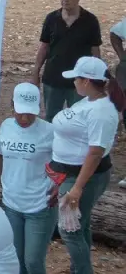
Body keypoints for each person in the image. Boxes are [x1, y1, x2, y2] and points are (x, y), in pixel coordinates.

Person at [50, 55, 119, 274]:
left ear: (87, 81)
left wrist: (77, 187)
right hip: (70, 173)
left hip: (80, 176)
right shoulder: (89, 101)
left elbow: (96, 152)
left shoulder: (101, 112)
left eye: (76, 79)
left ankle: (82, 270)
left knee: (69, 229)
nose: (74, 82)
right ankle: (79, 268)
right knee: (81, 224)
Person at [0, 83, 53, 274]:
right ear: (12, 105)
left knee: (33, 261)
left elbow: (63, 161)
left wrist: (59, 183)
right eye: (20, 112)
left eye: (30, 114)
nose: (24, 118)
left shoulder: (49, 131)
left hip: (40, 204)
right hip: (11, 203)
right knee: (16, 259)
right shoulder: (6, 126)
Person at [34, 0, 103, 121]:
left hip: (80, 80)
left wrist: (98, 77)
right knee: (51, 118)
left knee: (79, 119)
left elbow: (95, 50)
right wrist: (35, 72)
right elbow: (44, 47)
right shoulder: (51, 19)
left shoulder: (91, 21)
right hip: (53, 79)